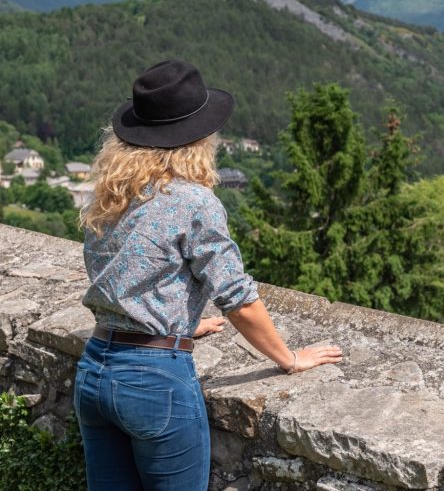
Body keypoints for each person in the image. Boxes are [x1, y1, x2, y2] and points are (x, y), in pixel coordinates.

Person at [73, 60, 342, 490]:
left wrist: (177, 323)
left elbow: (123, 275)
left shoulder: (112, 195)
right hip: (155, 380)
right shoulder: (193, 201)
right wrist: (289, 359)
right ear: (197, 141)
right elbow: (238, 298)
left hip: (95, 369)